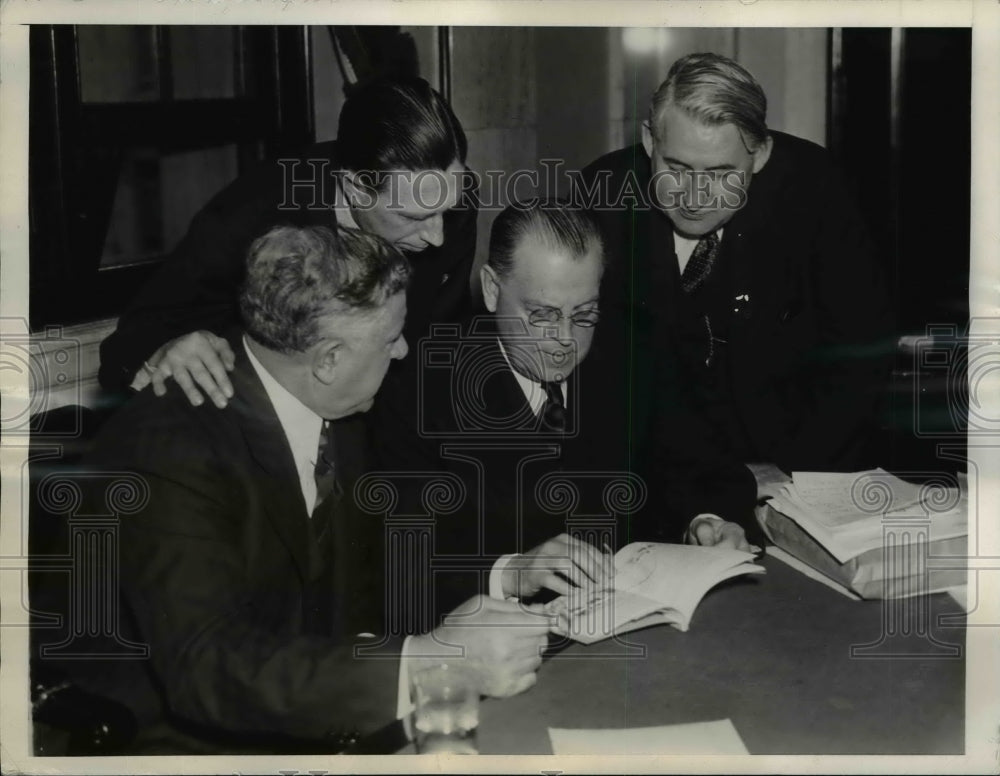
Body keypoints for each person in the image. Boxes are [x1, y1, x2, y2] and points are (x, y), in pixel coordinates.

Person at [82, 225, 551, 754]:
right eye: (390, 337)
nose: (402, 350)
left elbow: (371, 558)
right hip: (185, 744)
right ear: (327, 360)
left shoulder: (330, 405)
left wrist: (507, 573)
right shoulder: (169, 449)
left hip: (312, 713)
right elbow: (207, 668)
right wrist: (426, 662)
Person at [372, 201, 757, 623]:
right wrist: (511, 572)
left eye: (584, 314)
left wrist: (707, 521)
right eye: (542, 315)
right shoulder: (418, 388)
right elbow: (392, 562)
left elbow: (705, 467)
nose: (564, 340)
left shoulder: (634, 350)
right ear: (492, 289)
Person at [577, 52, 893, 484]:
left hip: (797, 468)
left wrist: (791, 472)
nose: (695, 196)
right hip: (654, 481)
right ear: (650, 141)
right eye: (676, 168)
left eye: (722, 174)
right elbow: (595, 381)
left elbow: (861, 356)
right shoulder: (600, 200)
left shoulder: (816, 192)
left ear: (759, 155)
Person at [98, 75, 477, 409]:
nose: (438, 236)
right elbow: (126, 349)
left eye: (447, 209)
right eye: (414, 217)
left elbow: (436, 342)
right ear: (355, 187)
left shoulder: (451, 202)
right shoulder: (250, 216)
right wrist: (162, 353)